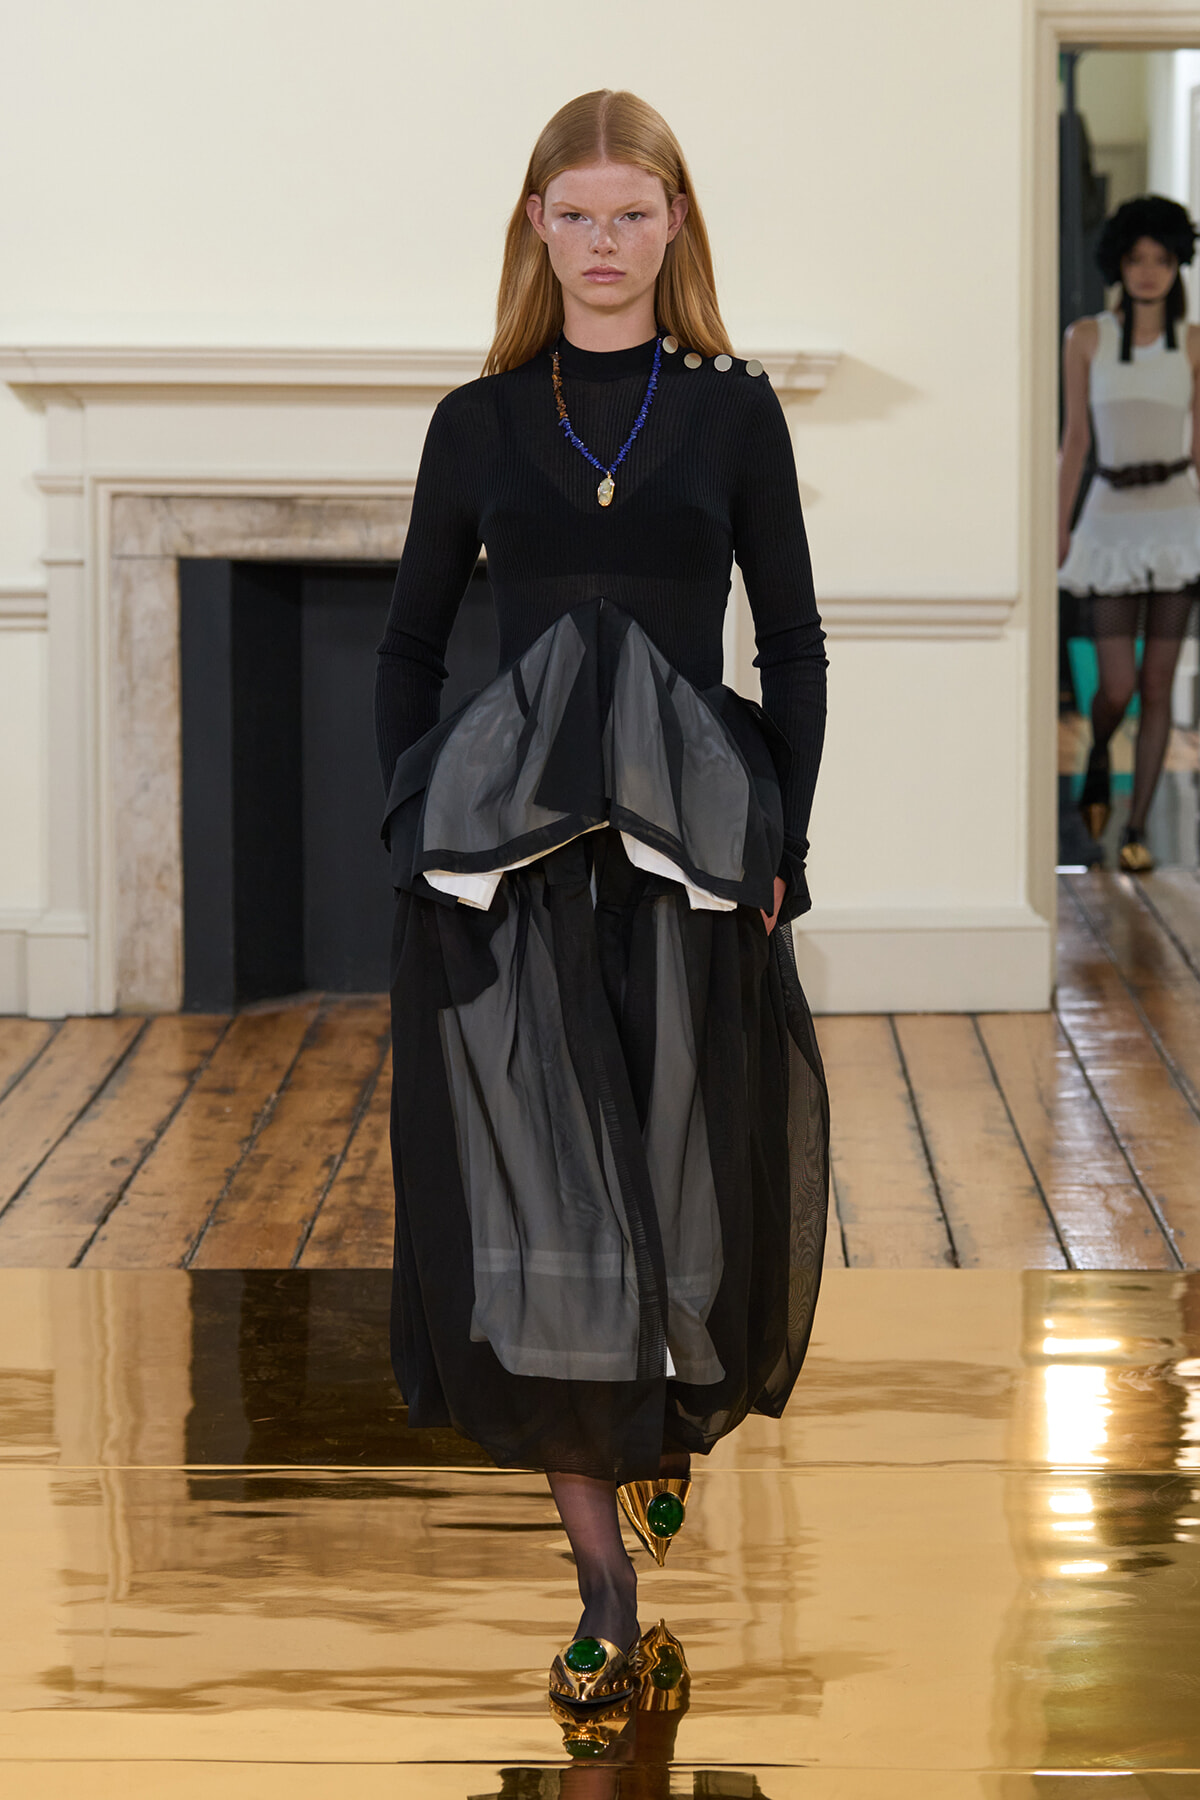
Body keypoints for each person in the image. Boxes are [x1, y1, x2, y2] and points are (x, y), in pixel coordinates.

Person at [374, 88, 829, 1707]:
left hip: (691, 860)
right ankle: (604, 1599)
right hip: (511, 867)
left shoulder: (733, 412)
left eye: (636, 212)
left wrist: (782, 837)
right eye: (578, 213)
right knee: (539, 1208)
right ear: (537, 228)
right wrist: (412, 815)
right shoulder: (480, 421)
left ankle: (660, 1435)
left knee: (685, 1181)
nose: (608, 241)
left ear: (678, 226)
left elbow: (793, 641)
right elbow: (414, 642)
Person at [1058, 194, 1200, 872]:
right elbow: (1075, 442)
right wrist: (1057, 528)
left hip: (1177, 517)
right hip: (1109, 515)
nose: (1149, 272)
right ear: (1119, 261)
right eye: (1138, 259)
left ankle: (1137, 826)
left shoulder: (1195, 345)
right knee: (1115, 685)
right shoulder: (1085, 338)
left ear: (1178, 265)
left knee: (1158, 679)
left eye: (1163, 260)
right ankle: (1095, 758)